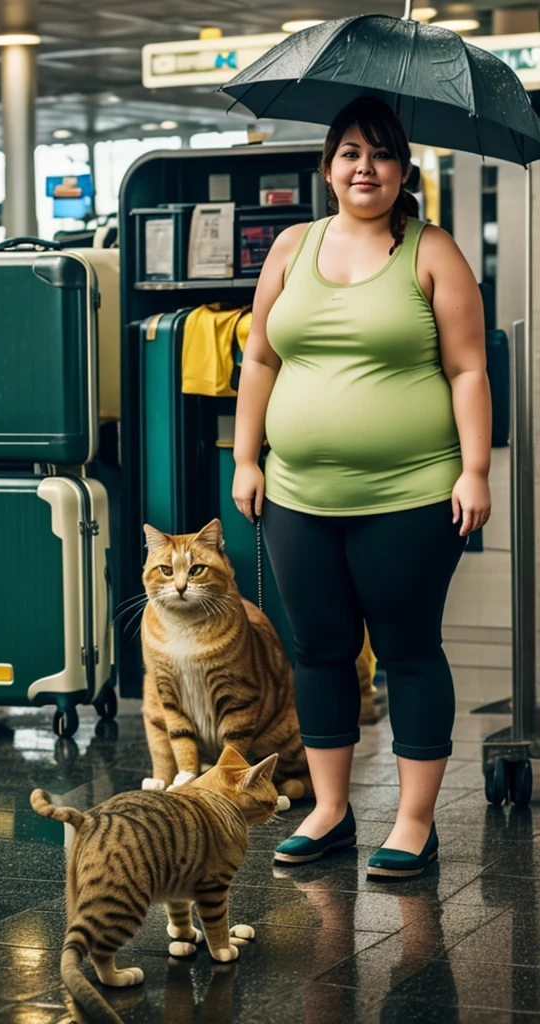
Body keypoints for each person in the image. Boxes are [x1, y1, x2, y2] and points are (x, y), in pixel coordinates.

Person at [232, 96, 491, 879]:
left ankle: (415, 822)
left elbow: (468, 367)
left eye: (380, 154)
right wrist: (248, 459)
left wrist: (474, 469)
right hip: (297, 496)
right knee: (318, 652)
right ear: (327, 167)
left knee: (408, 653)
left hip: (410, 495)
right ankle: (330, 809)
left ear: (403, 171)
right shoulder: (290, 247)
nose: (364, 167)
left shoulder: (431, 249)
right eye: (349, 152)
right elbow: (260, 361)